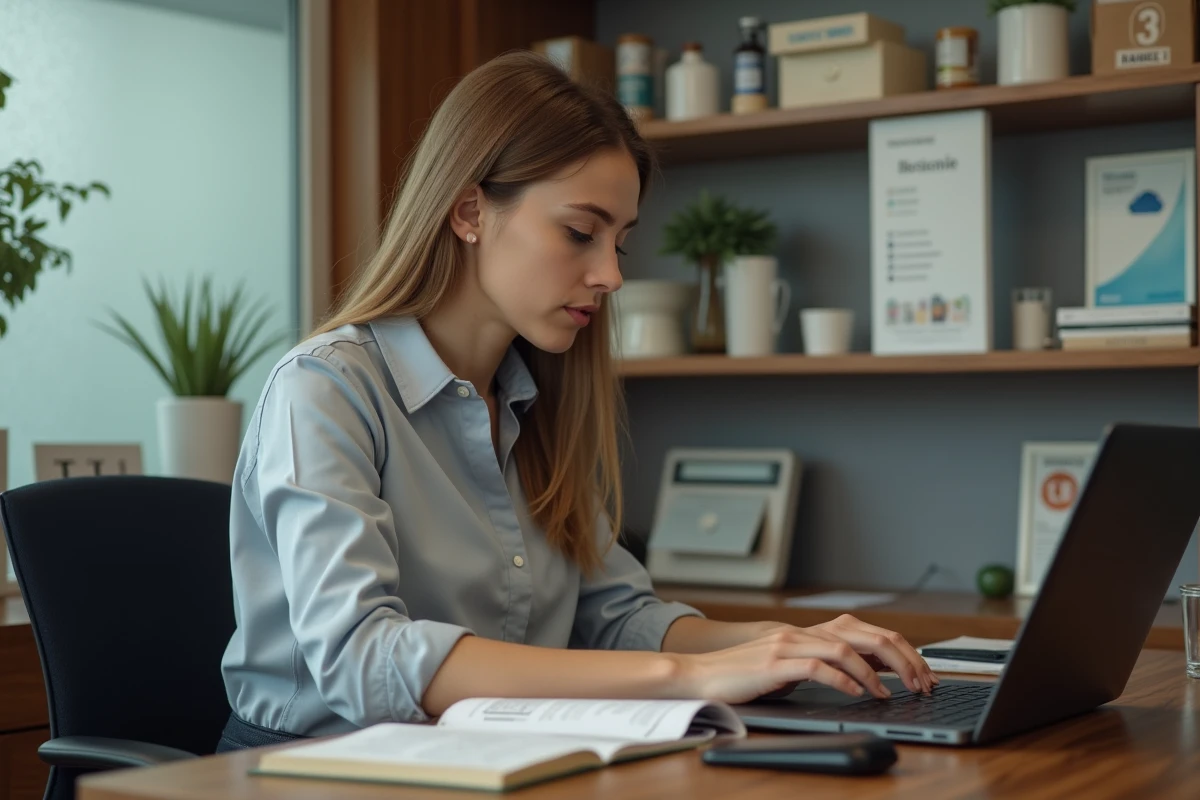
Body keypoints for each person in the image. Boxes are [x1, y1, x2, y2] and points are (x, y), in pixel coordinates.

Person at [215, 51, 937, 752]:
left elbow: (617, 617)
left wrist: (784, 648)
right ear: (469, 211)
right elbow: (364, 658)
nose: (611, 275)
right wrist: (691, 676)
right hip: (314, 768)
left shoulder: (537, 401)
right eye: (580, 233)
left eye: (620, 243)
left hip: (495, 757)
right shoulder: (325, 389)